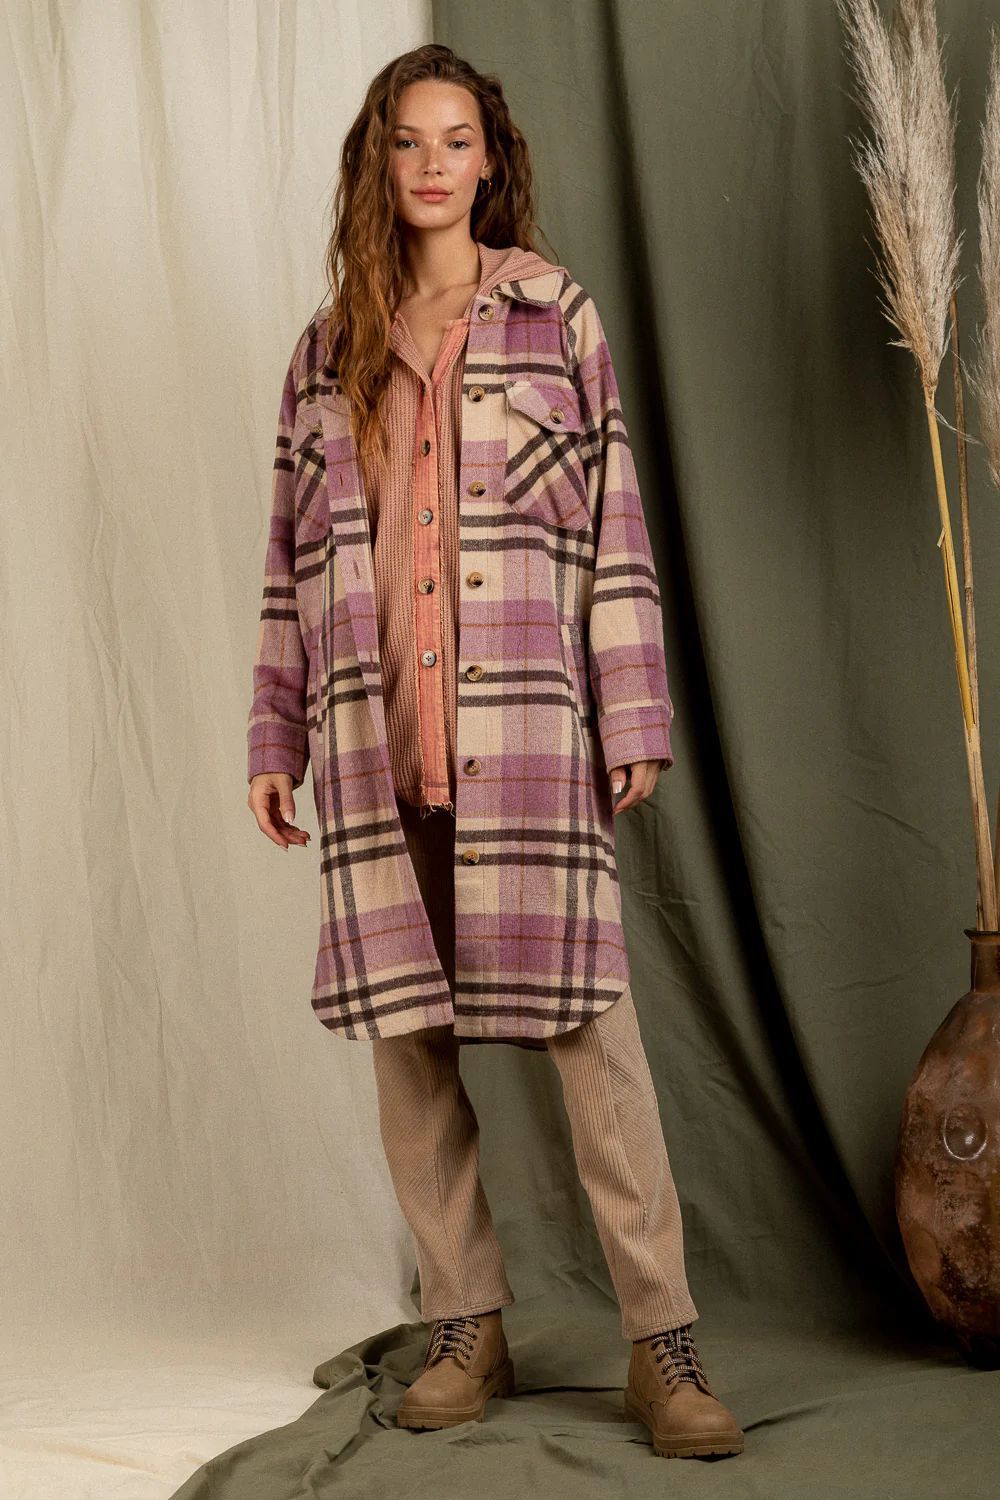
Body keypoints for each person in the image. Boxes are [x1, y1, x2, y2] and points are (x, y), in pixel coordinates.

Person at [245, 43, 744, 1462]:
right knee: (411, 1044)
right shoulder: (325, 351)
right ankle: (468, 1320)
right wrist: (274, 734)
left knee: (595, 1036)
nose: (431, 165)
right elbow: (287, 564)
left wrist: (631, 708)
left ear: (490, 159)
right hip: (372, 735)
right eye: (407, 141)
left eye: (455, 140)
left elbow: (616, 521)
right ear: (379, 161)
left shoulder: (553, 317)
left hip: (526, 731)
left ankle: (662, 1343)